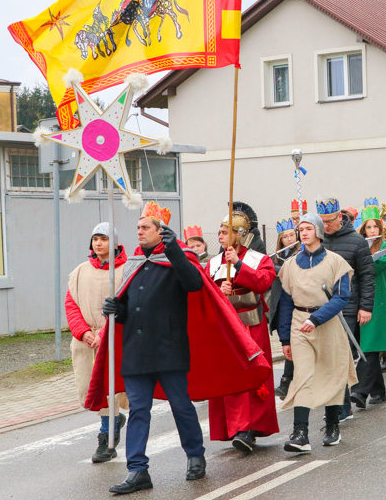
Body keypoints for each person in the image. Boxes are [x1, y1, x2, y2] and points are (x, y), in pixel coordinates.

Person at [92, 202, 270, 494]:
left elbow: (193, 284)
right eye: (137, 227)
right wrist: (115, 309)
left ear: (160, 232)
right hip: (137, 350)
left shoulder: (178, 259)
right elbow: (128, 310)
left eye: (145, 227)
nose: (139, 231)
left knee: (181, 406)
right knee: (139, 411)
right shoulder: (133, 265)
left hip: (169, 348)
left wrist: (173, 249)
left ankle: (195, 455)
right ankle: (137, 470)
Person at [277, 213, 355, 452]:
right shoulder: (290, 264)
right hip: (300, 324)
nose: (304, 232)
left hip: (328, 322)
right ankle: (300, 433)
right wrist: (285, 338)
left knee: (331, 374)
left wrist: (317, 317)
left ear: (319, 231)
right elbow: (286, 302)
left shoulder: (335, 262)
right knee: (303, 377)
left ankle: (332, 426)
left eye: (309, 228)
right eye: (301, 229)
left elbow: (342, 297)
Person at [205, 203, 279, 455]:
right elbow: (205, 294)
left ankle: (251, 427)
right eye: (220, 231)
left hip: (251, 324)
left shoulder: (260, 259)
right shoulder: (214, 262)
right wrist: (218, 291)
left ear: (238, 233)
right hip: (225, 328)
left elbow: (263, 282)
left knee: (253, 374)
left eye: (225, 232)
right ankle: (236, 426)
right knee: (229, 376)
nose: (220, 236)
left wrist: (238, 265)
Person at [64, 222, 128, 463]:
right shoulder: (80, 271)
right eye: (95, 239)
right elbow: (71, 305)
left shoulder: (125, 270)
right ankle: (109, 429)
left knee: (113, 388)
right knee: (95, 389)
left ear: (115, 242)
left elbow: (128, 304)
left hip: (115, 338)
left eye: (103, 238)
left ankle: (107, 437)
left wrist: (105, 332)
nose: (98, 243)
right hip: (86, 341)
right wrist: (82, 332)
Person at [319, 197, 375, 422]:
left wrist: (365, 307)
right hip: (322, 309)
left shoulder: (357, 241)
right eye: (322, 221)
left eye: (330, 221)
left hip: (348, 308)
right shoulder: (318, 241)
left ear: (339, 218)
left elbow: (367, 276)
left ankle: (342, 407)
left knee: (340, 357)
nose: (326, 226)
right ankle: (336, 405)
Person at [351, 199, 386, 406]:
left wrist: (364, 258)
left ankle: (359, 391)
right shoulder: (359, 246)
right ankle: (379, 391)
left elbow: (373, 268)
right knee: (370, 344)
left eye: (374, 226)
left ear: (380, 227)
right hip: (360, 299)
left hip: (378, 301)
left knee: (369, 346)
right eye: (367, 227)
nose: (371, 230)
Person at [271, 218, 300, 400]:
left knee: (296, 342)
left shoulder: (302, 252)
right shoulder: (278, 255)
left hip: (299, 301)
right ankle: (288, 380)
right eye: (285, 236)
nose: (289, 239)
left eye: (292, 235)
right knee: (289, 340)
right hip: (284, 301)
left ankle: (287, 380)